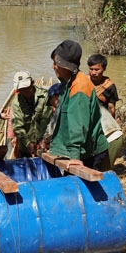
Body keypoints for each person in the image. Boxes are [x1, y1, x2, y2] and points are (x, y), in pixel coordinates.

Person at [49, 40, 109, 171]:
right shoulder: (67, 83)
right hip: (82, 150)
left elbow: (78, 124)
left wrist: (75, 157)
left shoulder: (79, 86)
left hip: (89, 153)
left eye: (55, 63)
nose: (53, 67)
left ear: (63, 65)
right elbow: (62, 118)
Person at [10, 71, 53, 158]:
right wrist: (28, 143)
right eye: (21, 89)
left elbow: (47, 121)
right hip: (25, 148)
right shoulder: (16, 103)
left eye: (26, 87)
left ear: (32, 83)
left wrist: (43, 140)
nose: (24, 91)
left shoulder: (45, 97)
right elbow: (17, 126)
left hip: (45, 146)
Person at [87, 53, 119, 118]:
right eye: (91, 69)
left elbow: (111, 108)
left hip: (101, 118)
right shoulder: (83, 81)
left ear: (104, 69)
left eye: (96, 70)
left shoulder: (109, 86)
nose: (93, 73)